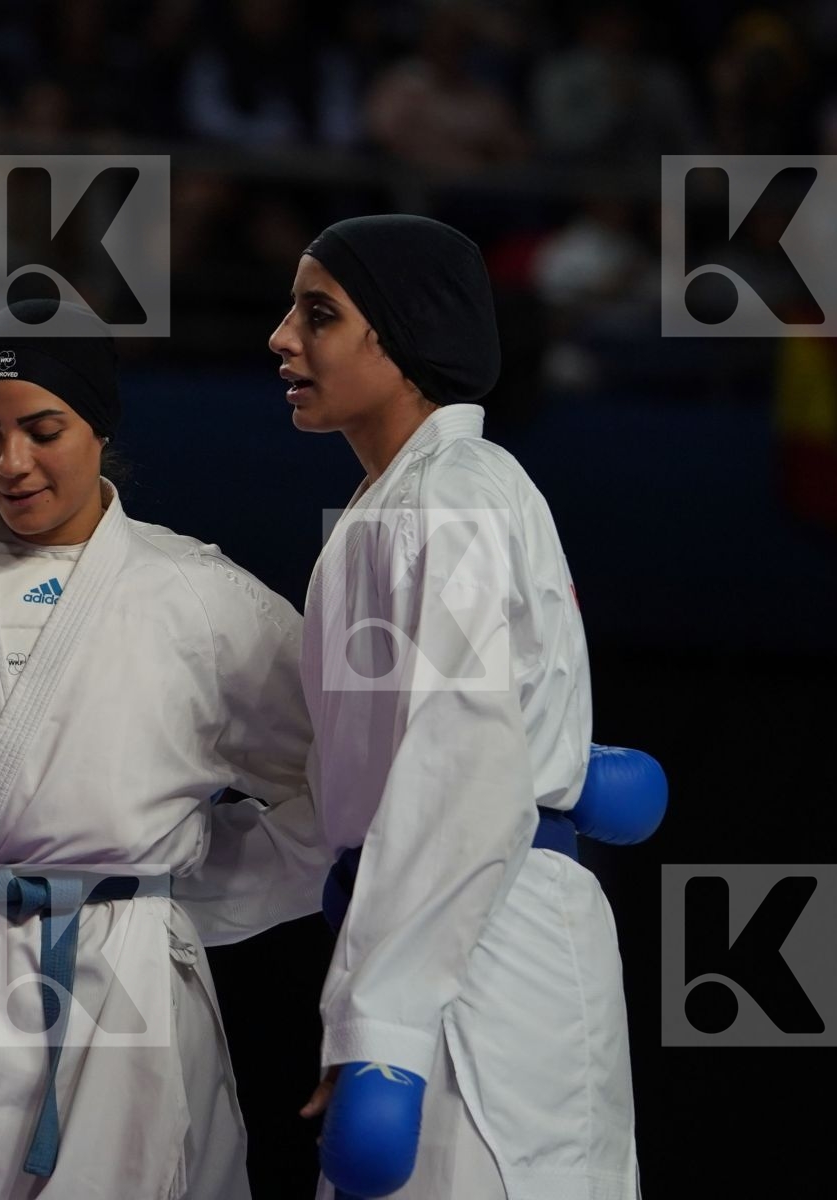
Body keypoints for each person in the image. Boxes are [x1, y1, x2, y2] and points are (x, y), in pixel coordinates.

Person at [0, 298, 330, 1199]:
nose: (11, 463)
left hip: (118, 982)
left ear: (99, 426)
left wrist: (176, 898)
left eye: (42, 429)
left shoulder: (202, 601)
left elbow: (332, 784)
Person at [269, 215, 638, 1199]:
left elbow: (463, 758)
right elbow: (356, 791)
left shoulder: (451, 499)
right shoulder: (406, 499)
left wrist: (382, 1026)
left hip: (482, 937)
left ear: (400, 336)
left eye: (319, 315)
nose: (281, 339)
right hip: (442, 923)